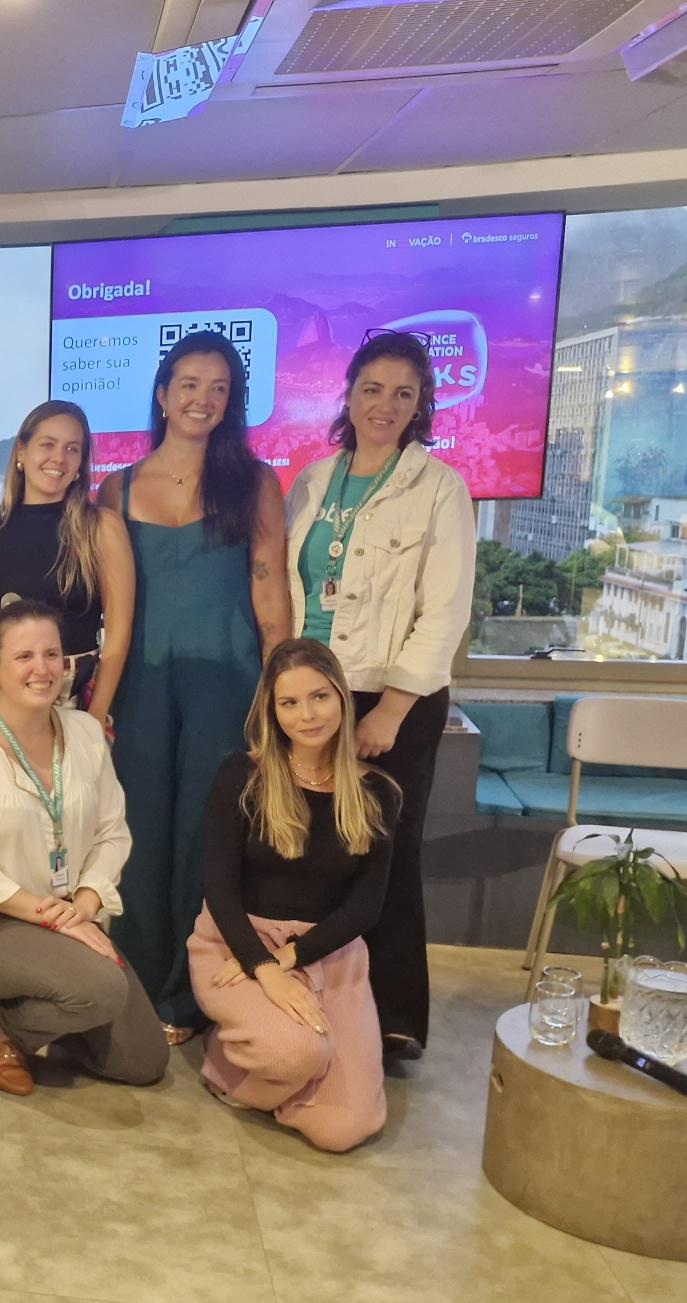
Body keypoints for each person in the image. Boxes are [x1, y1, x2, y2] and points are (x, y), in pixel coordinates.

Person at [284, 330, 475, 1061]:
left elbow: (446, 611)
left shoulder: (439, 487)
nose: (385, 405)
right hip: (313, 693)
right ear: (350, 394)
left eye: (403, 393)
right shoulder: (311, 480)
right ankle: (308, 997)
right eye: (372, 389)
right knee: (307, 851)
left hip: (393, 700)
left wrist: (391, 709)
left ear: (421, 402)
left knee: (382, 853)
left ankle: (394, 1015)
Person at [104, 331, 291, 1042]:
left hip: (228, 680)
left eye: (218, 388)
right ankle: (135, 983)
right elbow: (103, 601)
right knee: (139, 830)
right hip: (142, 685)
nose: (202, 399)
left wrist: (278, 696)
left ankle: (191, 995)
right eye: (189, 384)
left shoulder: (255, 483)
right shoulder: (116, 488)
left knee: (204, 835)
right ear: (162, 394)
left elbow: (270, 596)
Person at [0, 599, 168, 1097]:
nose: (42, 669)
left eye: (52, 654)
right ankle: (1, 1029)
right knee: (101, 989)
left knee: (144, 1059)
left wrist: (85, 904)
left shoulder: (86, 733)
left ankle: (14, 1004)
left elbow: (112, 833)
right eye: (24, 656)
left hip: (65, 911)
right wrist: (54, 917)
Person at [189, 639, 398, 1152]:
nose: (307, 715)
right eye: (289, 702)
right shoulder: (242, 775)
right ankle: (233, 1063)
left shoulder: (378, 793)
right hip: (238, 946)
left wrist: (293, 958)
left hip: (329, 954)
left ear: (342, 697)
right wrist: (264, 966)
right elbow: (219, 886)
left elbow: (365, 906)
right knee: (297, 1054)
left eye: (319, 697)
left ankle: (282, 1065)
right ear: (272, 710)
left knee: (345, 1130)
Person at [0, 399, 130, 722]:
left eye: (72, 449)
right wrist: (24, 638)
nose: (59, 458)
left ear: (81, 463)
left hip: (76, 695)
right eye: (47, 444)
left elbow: (118, 634)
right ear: (21, 452)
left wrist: (96, 714)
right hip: (4, 695)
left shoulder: (102, 528)